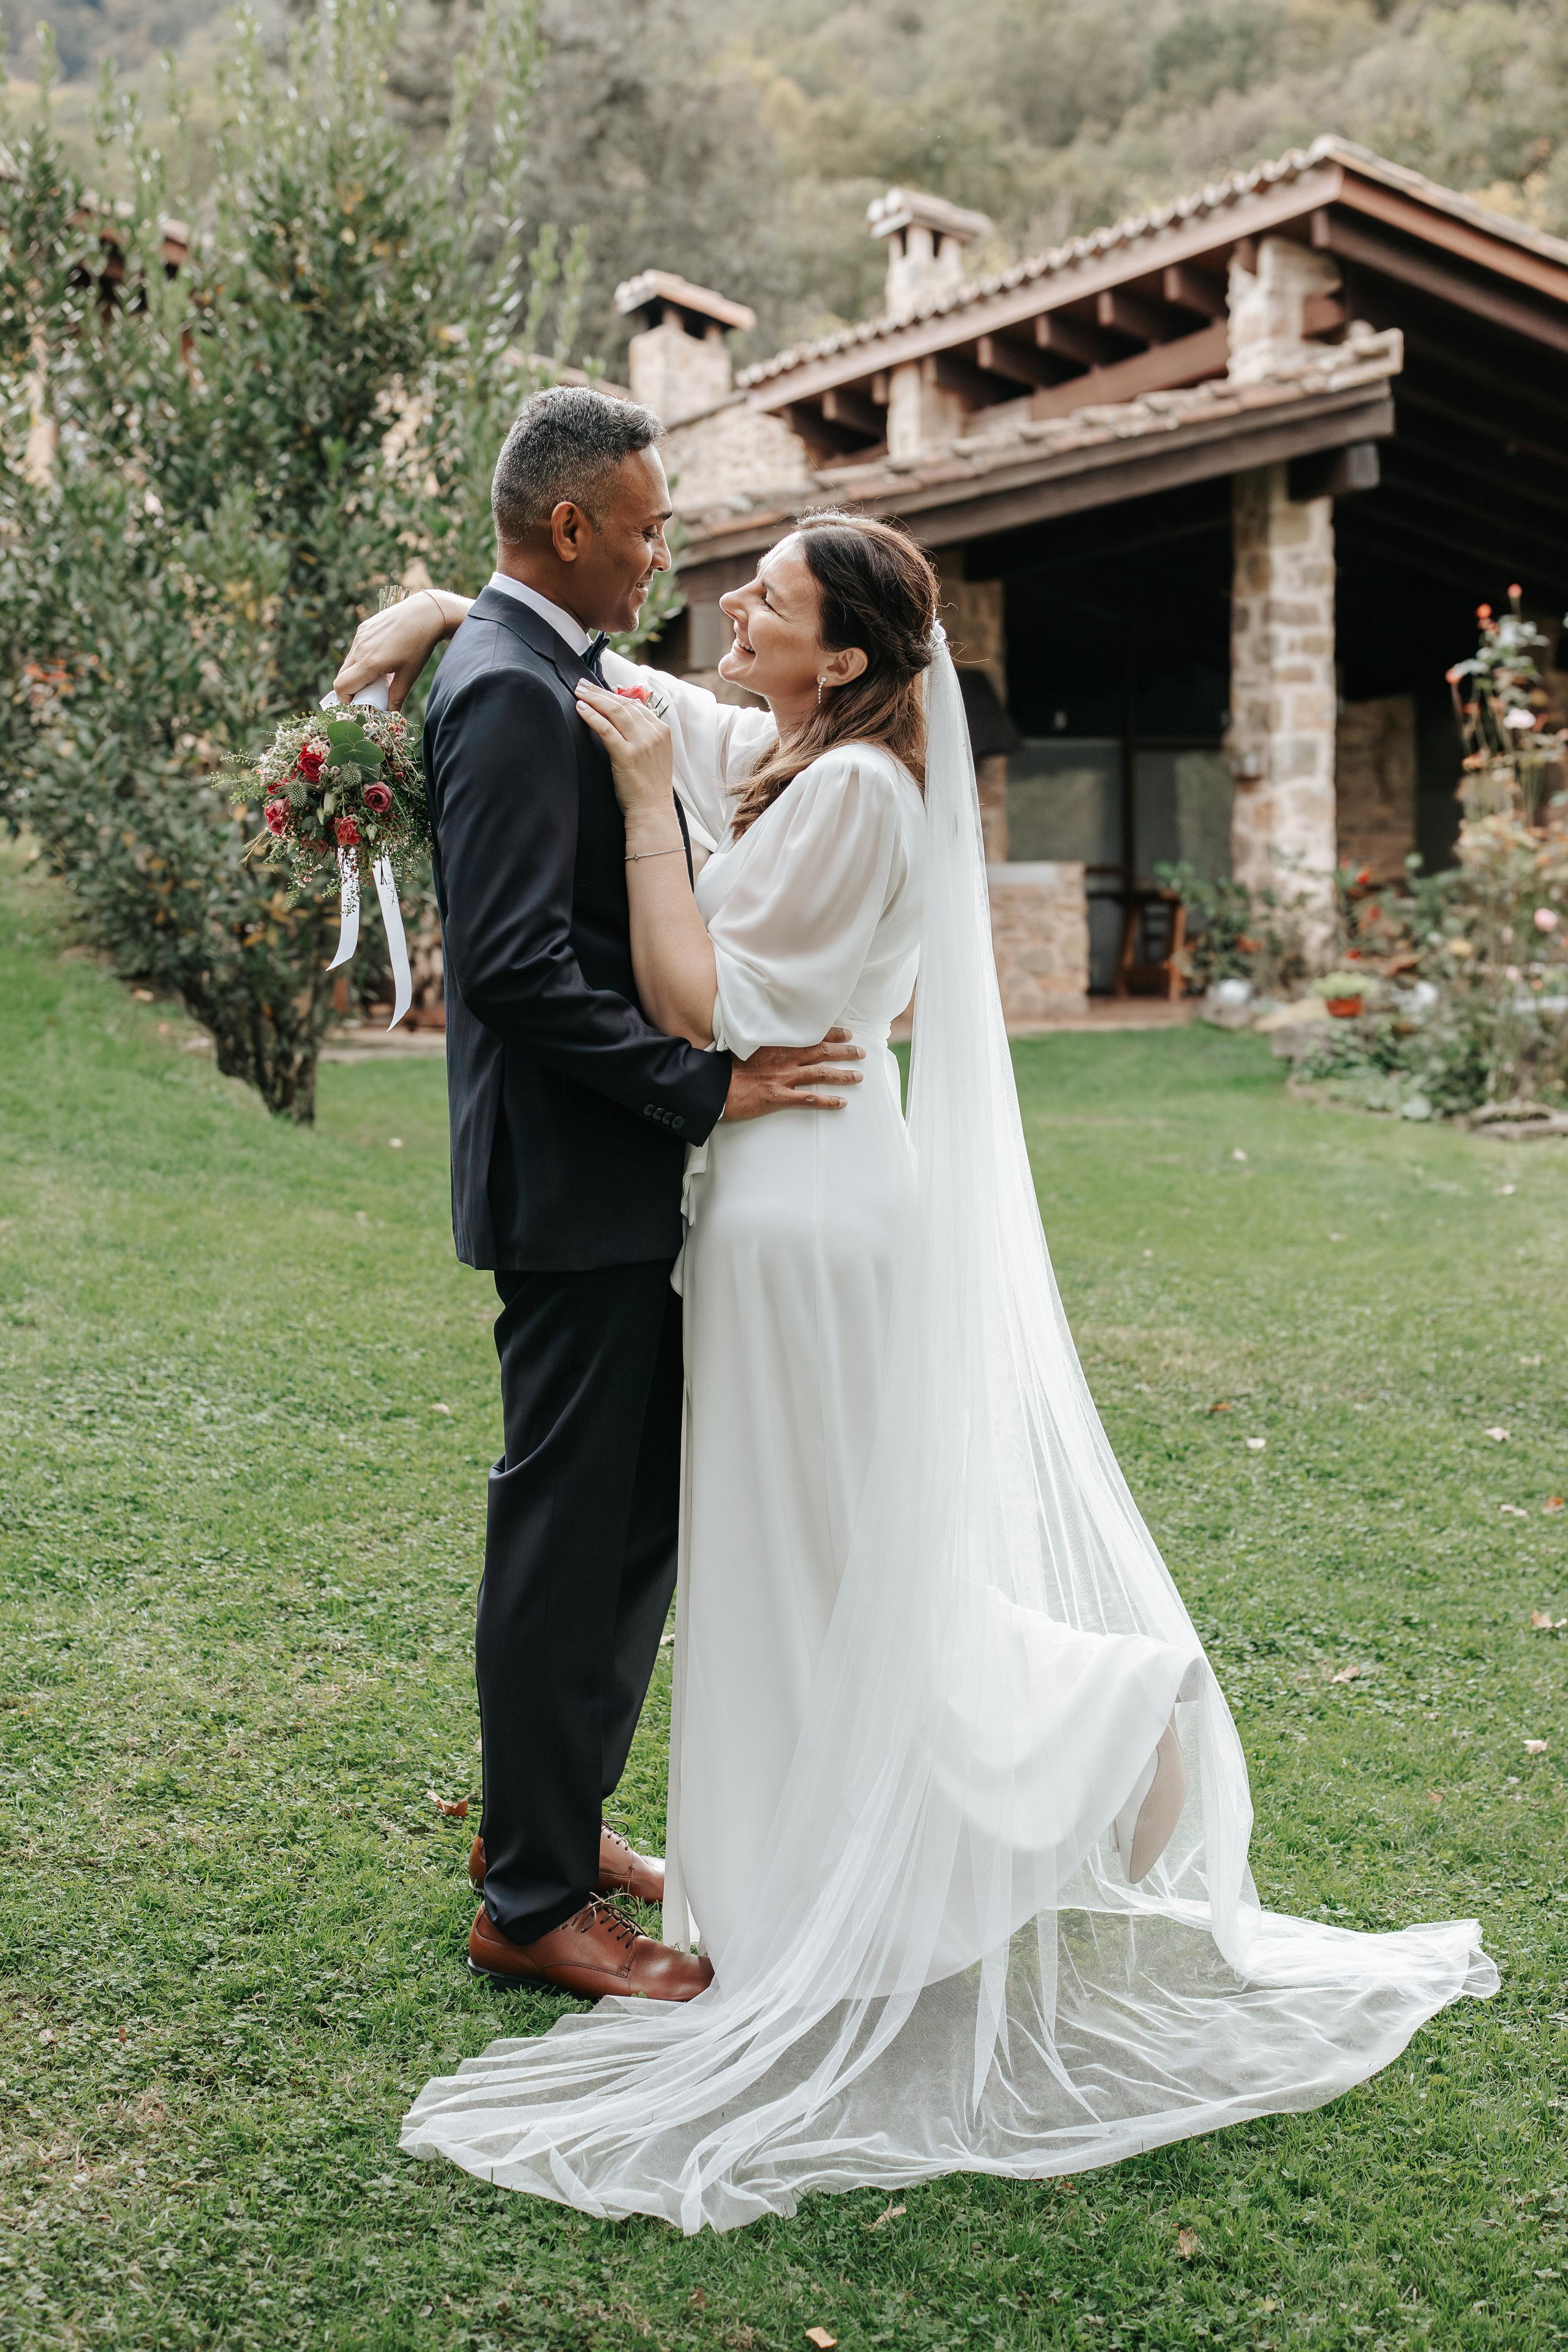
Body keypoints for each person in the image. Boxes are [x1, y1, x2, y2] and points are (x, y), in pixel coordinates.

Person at [337, 492, 1494, 2235]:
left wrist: (651, 816)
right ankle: (806, 1864)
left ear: (848, 653)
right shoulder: (798, 740)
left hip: (804, 1213)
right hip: (771, 1210)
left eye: (769, 600)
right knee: (796, 1559)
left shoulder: (860, 793)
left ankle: (1100, 1712)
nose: (730, 610)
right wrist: (449, 608)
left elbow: (688, 996)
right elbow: (655, 690)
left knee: (829, 1552)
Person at [379, 386, 865, 2008]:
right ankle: (529, 1901)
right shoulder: (513, 690)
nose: (668, 554)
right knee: (563, 1534)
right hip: (570, 1181)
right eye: (650, 527)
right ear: (571, 526)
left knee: (630, 1516)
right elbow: (514, 967)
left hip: (608, 1180)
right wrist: (701, 1088)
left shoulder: (548, 662)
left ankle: (555, 1821)